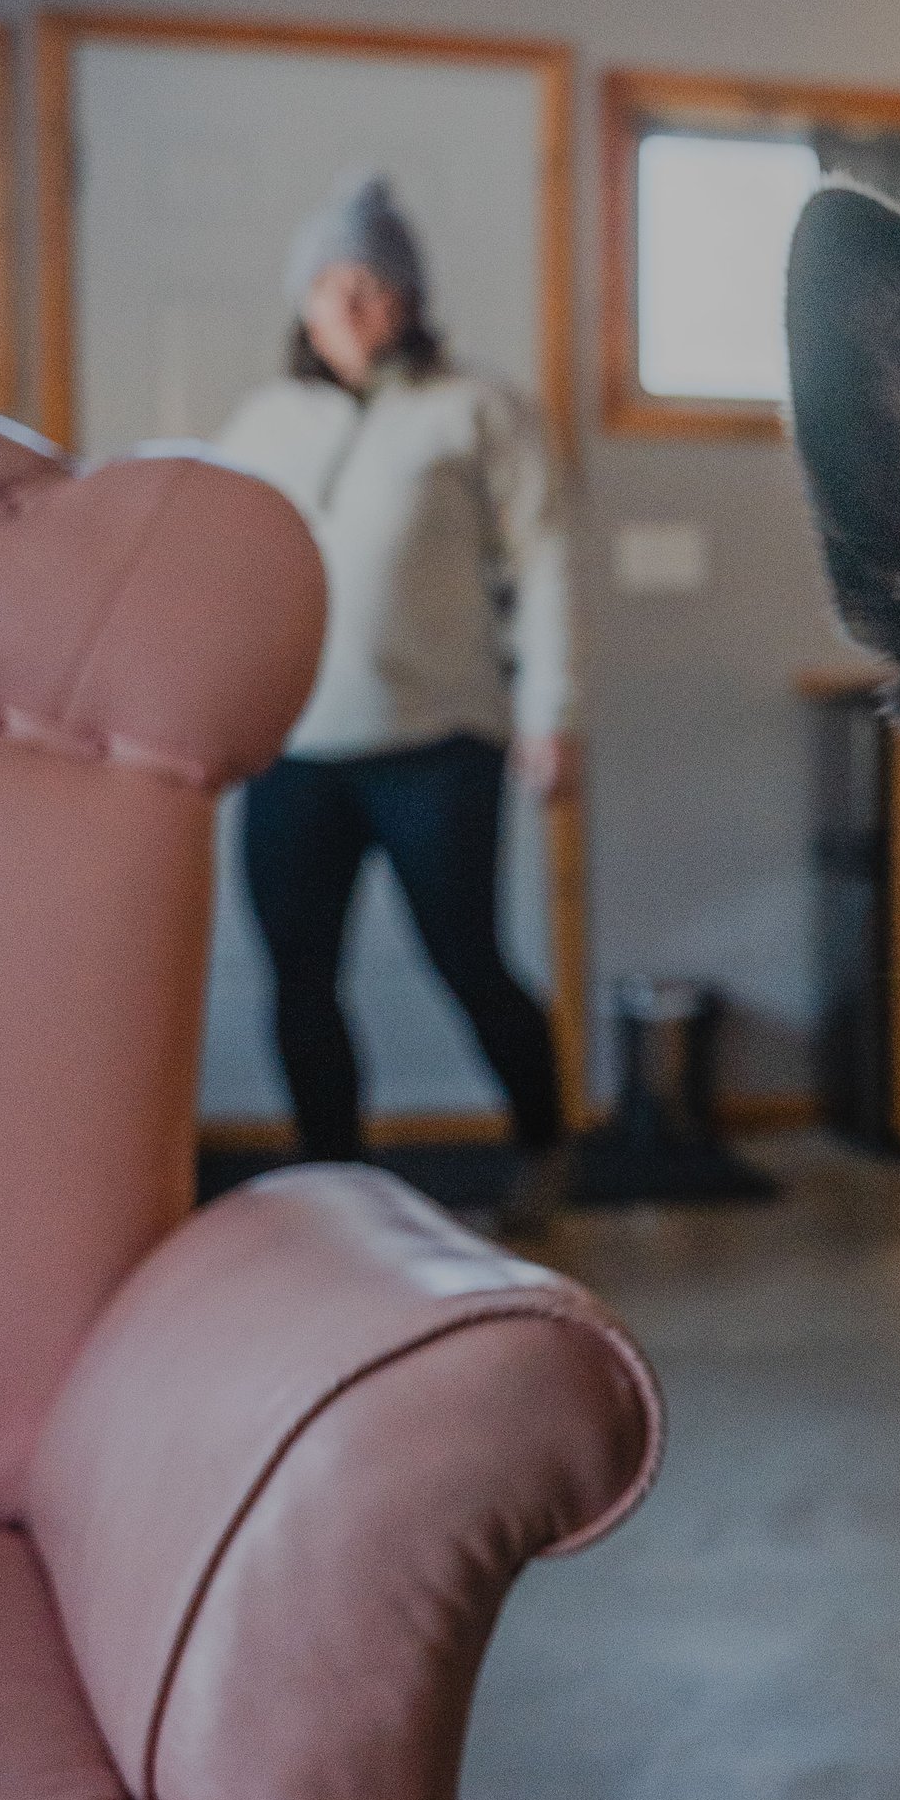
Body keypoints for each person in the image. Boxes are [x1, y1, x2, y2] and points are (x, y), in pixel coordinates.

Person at [215, 172, 576, 1229]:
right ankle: (339, 1182)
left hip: (439, 746)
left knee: (468, 961)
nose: (356, 305)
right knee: (299, 976)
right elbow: (210, 568)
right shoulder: (262, 423)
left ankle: (545, 1148)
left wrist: (554, 713)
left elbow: (547, 563)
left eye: (376, 284)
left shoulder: (476, 410)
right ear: (305, 301)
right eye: (334, 284)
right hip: (292, 750)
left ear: (411, 298)